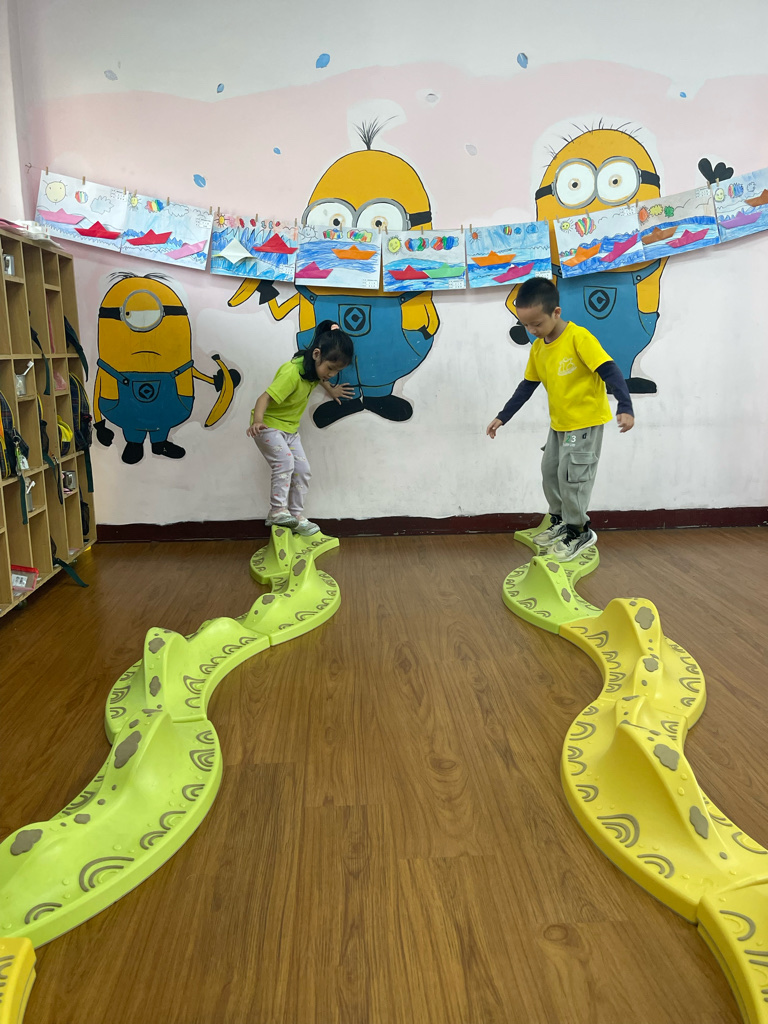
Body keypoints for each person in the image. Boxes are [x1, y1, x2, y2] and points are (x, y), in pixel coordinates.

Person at [487, 277, 634, 562]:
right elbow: (527, 386)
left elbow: (610, 370)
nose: (531, 331)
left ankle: (579, 531)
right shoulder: (538, 348)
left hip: (584, 423)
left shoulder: (579, 338)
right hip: (560, 425)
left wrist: (625, 406)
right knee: (551, 472)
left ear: (556, 312)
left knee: (573, 478)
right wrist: (503, 416)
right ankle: (560, 521)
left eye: (536, 324)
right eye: (526, 326)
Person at [247, 321, 354, 535]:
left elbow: (319, 377)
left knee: (303, 470)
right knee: (285, 463)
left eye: (336, 371)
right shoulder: (292, 373)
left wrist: (331, 390)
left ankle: (295, 516)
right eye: (330, 369)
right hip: (268, 426)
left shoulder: (314, 370)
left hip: (289, 430)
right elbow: (264, 397)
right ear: (316, 354)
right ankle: (277, 511)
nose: (331, 375)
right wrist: (257, 421)